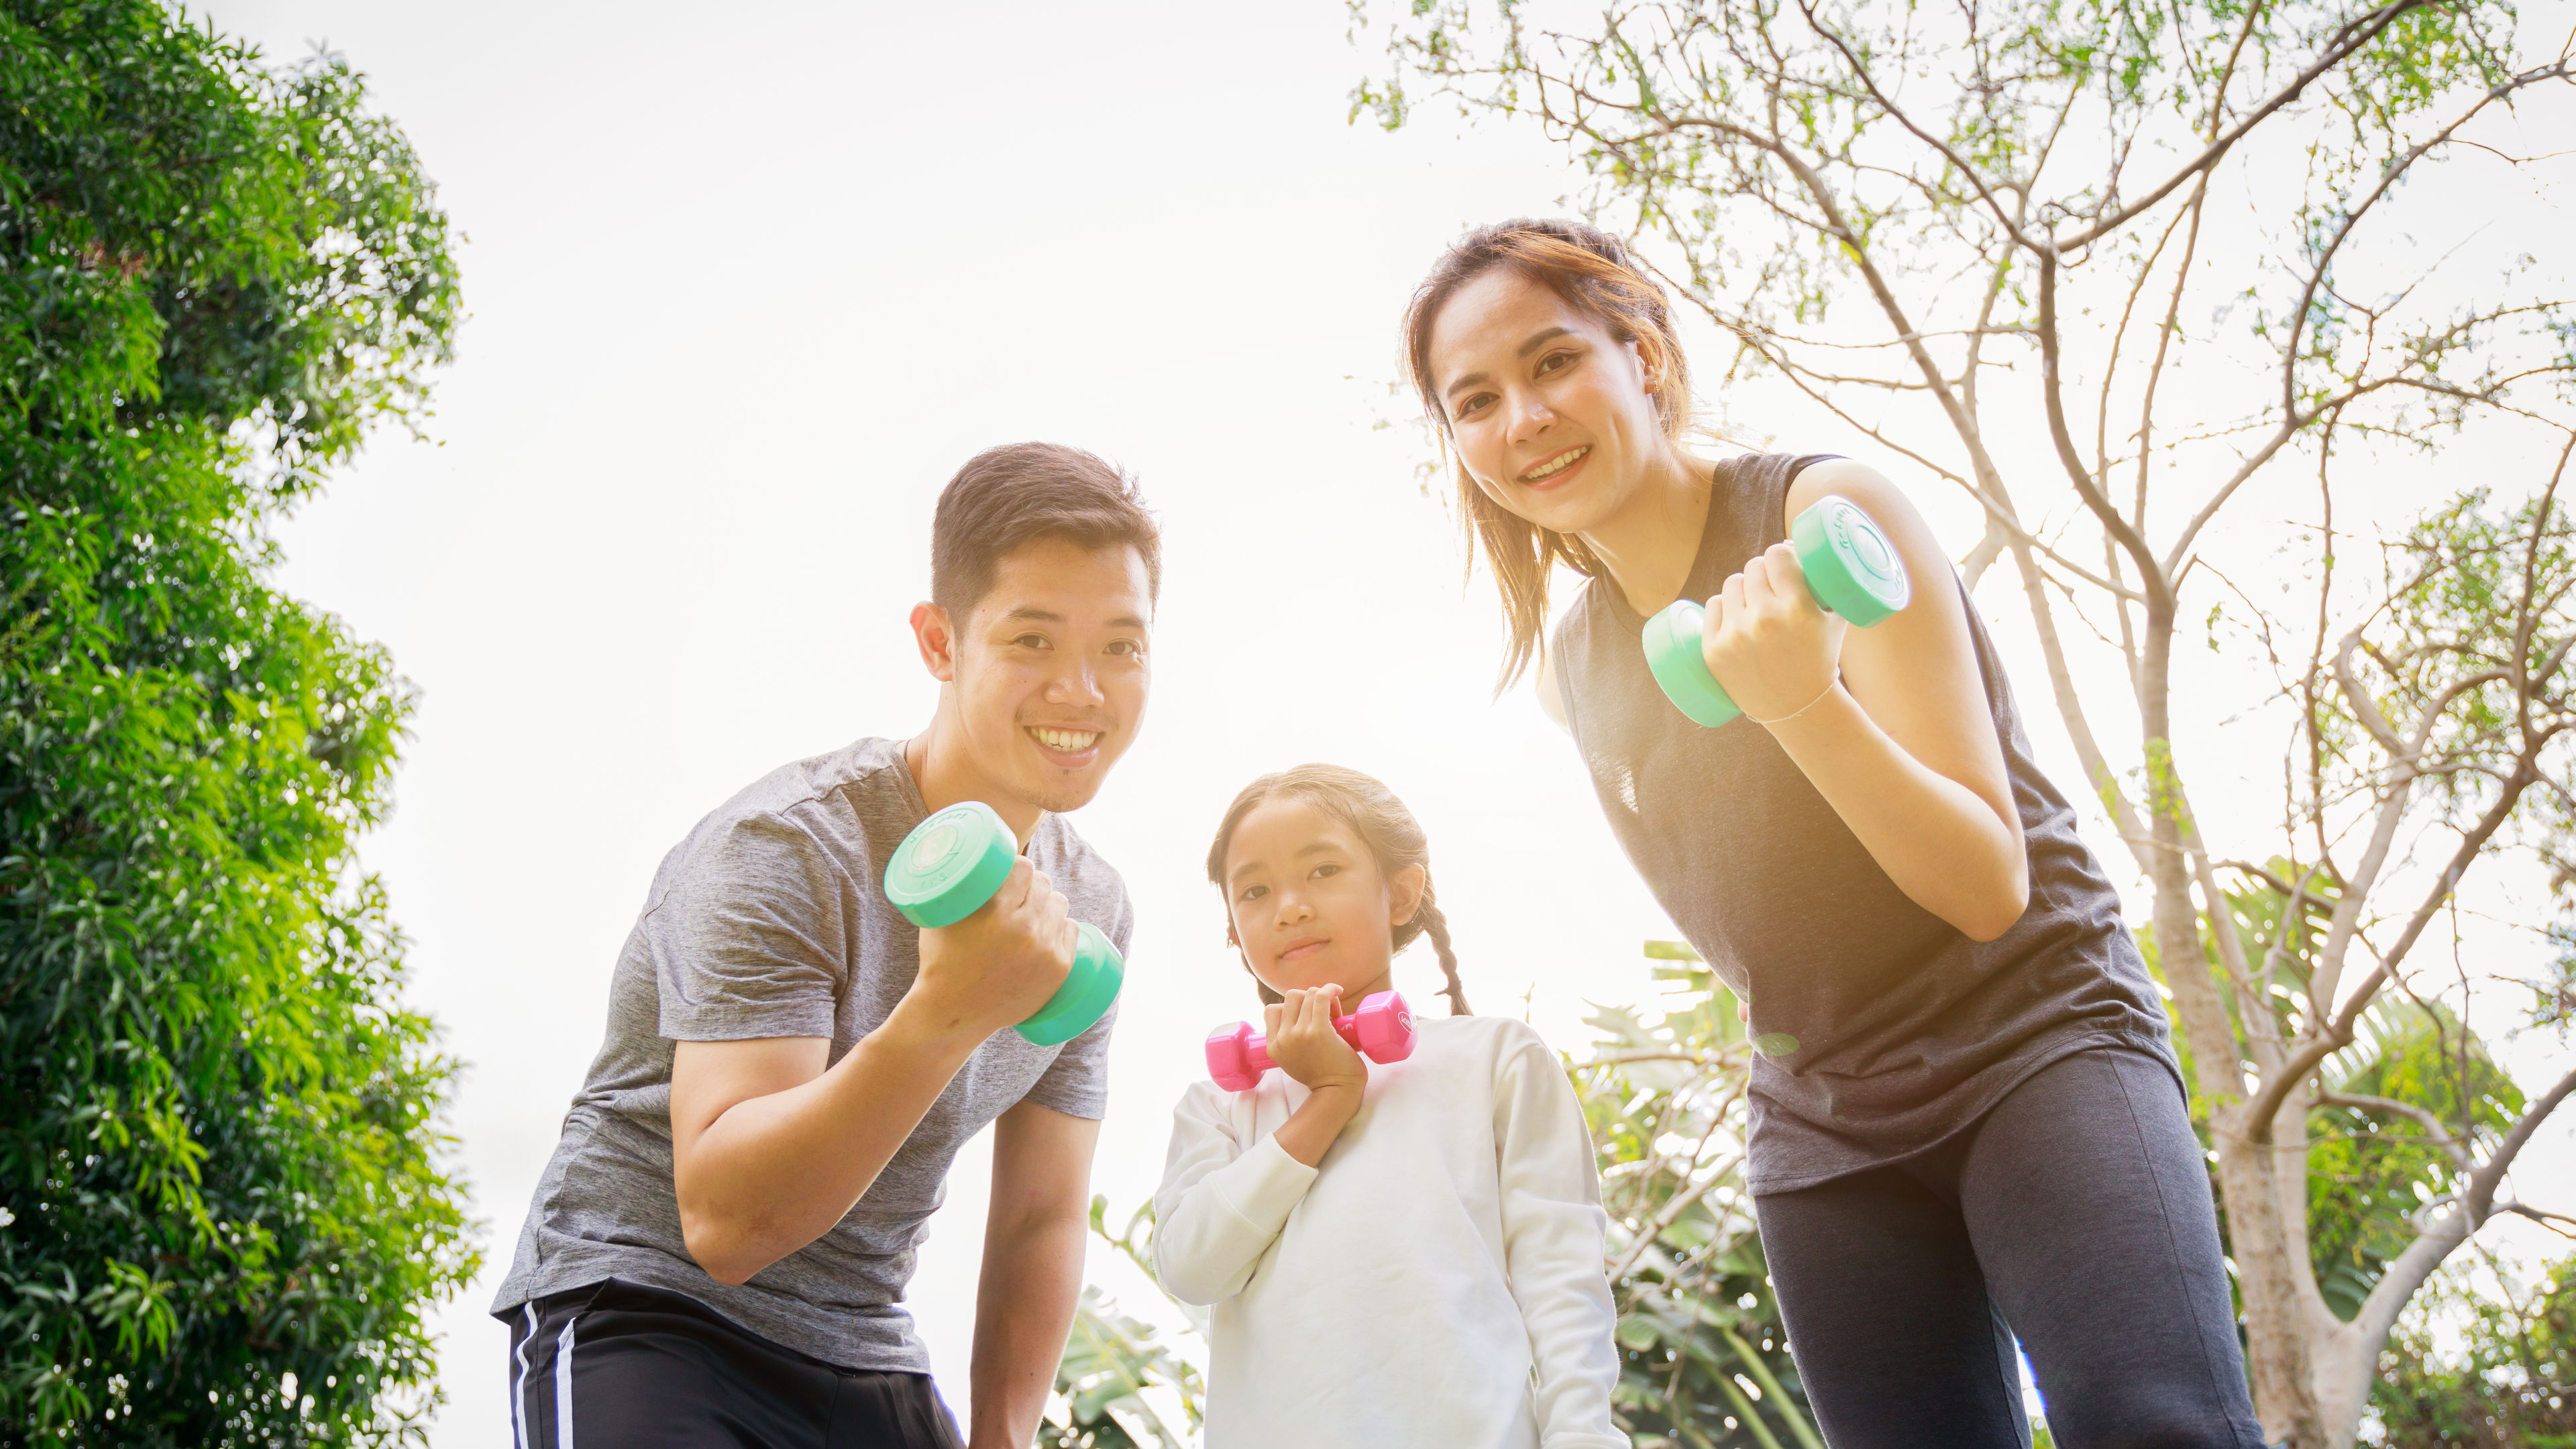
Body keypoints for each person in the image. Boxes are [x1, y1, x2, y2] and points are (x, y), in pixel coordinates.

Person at [1401, 219, 2267, 1448]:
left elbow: (1984, 883)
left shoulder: (1827, 514)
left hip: (2034, 1033)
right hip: (1825, 1120)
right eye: (1475, 400)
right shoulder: (1575, 672)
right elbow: (1745, 923)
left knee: (2155, 1425)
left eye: (1553, 363)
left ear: (1641, 352)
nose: (1523, 420)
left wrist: (1804, 702)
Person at [488, 443, 1158, 1449]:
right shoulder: (787, 850)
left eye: (1122, 647)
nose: (1083, 691)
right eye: (1032, 641)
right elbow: (726, 1226)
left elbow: (1040, 1219)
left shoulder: (1092, 908)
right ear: (940, 642)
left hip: (863, 1344)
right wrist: (947, 1011)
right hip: (651, 1307)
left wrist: (1002, 1438)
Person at [1152, 764, 1627, 1449]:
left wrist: (1583, 1439)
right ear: (1235, 932)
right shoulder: (1220, 1104)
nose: (1289, 906)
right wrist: (1329, 1100)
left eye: (1322, 871)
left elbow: (1562, 1276)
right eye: (1255, 890)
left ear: (1402, 893)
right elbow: (1193, 1268)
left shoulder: (1496, 1057)